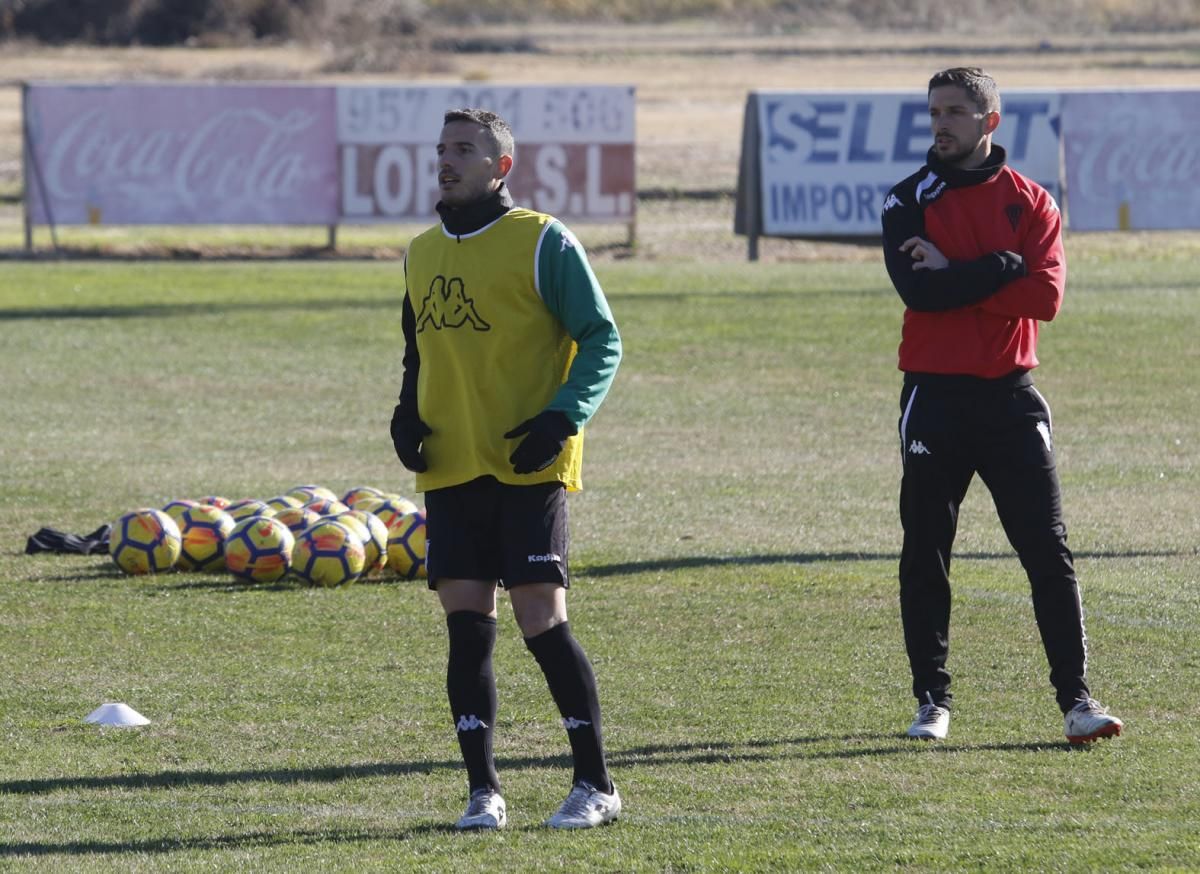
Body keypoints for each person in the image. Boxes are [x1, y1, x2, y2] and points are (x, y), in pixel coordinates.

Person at [390, 108, 623, 829]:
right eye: (442, 149)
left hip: (528, 461)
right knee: (466, 625)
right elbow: (416, 350)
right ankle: (483, 792)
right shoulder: (420, 252)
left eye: (465, 149)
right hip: (453, 464)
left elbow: (601, 338)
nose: (447, 160)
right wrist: (405, 412)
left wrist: (561, 417)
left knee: (540, 619)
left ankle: (596, 786)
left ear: (502, 166)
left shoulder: (542, 241)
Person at [880, 68, 1123, 744]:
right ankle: (932, 702)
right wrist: (1000, 268)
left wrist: (958, 272)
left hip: (1011, 399)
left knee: (1047, 549)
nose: (941, 124)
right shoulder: (906, 201)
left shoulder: (1032, 202)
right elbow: (919, 295)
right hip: (933, 396)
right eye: (934, 112)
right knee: (926, 549)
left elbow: (1045, 299)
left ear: (990, 121)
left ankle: (1077, 703)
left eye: (956, 111)